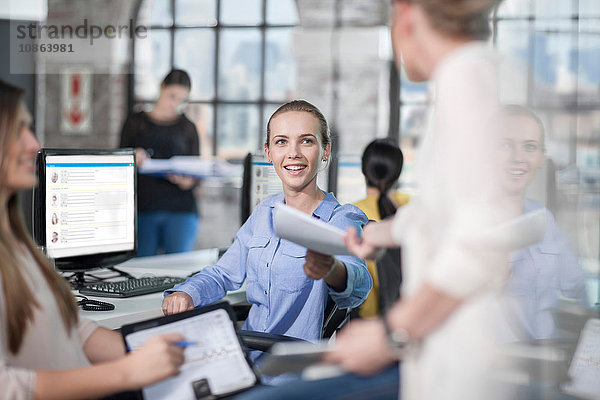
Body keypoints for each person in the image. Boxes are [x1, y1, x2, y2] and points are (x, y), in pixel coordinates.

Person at [237, 1, 515, 399]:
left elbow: (478, 249)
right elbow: (444, 212)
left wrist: (390, 332)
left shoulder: (465, 84)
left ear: (405, 13)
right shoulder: (469, 78)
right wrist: (379, 234)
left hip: (457, 349)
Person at [0, 80, 185, 399]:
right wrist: (128, 371)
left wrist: (138, 351)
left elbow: (68, 328)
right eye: (18, 131)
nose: (33, 144)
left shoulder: (18, 245)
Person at [162, 100, 371, 364]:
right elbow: (223, 273)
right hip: (244, 355)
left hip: (286, 369)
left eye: (306, 141)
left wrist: (331, 269)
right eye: (281, 142)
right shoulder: (265, 212)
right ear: (269, 152)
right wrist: (187, 292)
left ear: (325, 151)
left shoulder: (340, 219)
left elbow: (359, 285)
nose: (293, 153)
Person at [493, 105, 587, 342]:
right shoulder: (468, 219)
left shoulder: (542, 216)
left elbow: (575, 283)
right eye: (505, 145)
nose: (518, 158)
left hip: (546, 358)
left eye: (530, 147)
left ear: (541, 158)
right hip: (496, 365)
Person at [120, 69, 200, 257]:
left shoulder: (188, 127)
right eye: (172, 96)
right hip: (143, 208)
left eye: (182, 99)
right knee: (141, 270)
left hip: (180, 209)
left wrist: (188, 181)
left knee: (178, 270)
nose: (175, 103)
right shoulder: (135, 122)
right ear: (161, 87)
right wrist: (132, 156)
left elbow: (196, 170)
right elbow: (119, 162)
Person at [353, 139, 409, 318]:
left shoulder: (353, 214)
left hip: (373, 323)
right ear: (397, 174)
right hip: (408, 317)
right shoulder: (411, 208)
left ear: (364, 170)